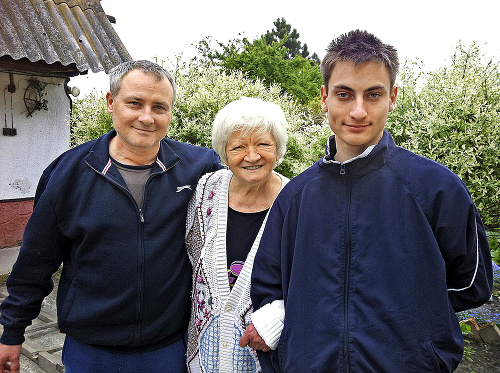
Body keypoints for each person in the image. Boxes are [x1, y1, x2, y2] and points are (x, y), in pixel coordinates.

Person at [249, 30, 493, 372]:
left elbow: (471, 284)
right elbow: (268, 289)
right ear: (324, 97)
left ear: (392, 98)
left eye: (373, 94)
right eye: (345, 94)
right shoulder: (295, 197)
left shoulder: (437, 187)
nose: (358, 111)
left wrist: (413, 331)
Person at [0, 60, 220, 373]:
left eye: (159, 107)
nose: (147, 117)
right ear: (110, 103)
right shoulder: (68, 174)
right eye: (135, 103)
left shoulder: (199, 168)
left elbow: (253, 189)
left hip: (167, 349)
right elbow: (36, 261)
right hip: (90, 351)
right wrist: (11, 330)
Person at [185, 97, 289, 372]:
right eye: (238, 147)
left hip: (264, 360)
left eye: (263, 144)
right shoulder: (206, 190)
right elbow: (191, 264)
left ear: (278, 149)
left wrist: (276, 320)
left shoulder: (296, 201)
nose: (252, 156)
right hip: (204, 359)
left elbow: (314, 282)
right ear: (224, 153)